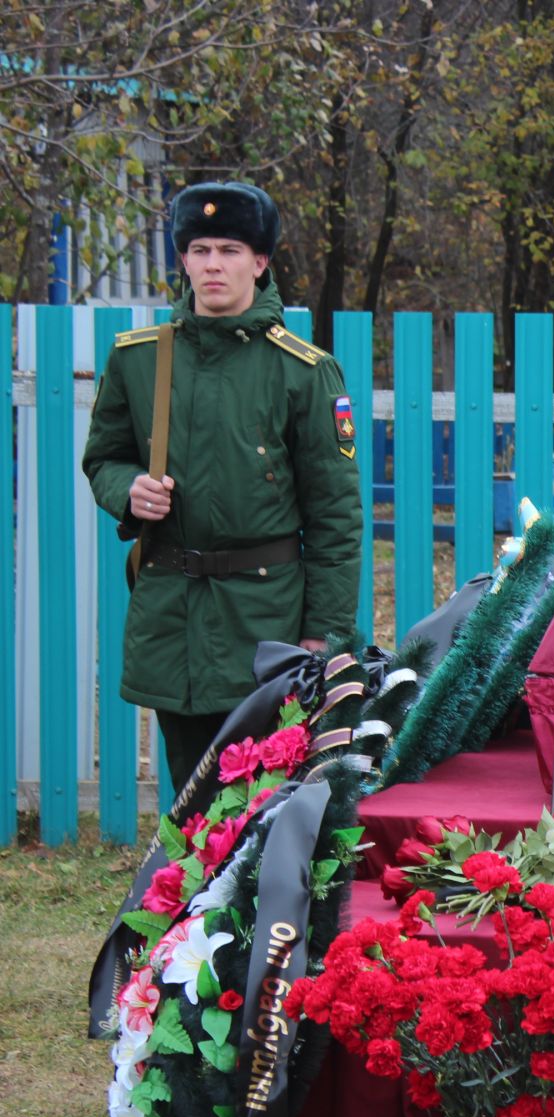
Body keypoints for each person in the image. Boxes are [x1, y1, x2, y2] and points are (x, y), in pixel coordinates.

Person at [81, 182, 361, 787]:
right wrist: (128, 490)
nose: (213, 264)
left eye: (230, 250)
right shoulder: (137, 359)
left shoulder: (303, 371)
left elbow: (336, 515)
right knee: (187, 802)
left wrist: (322, 636)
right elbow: (103, 458)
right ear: (182, 259)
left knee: (261, 805)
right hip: (170, 615)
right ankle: (180, 888)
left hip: (266, 622)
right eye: (200, 249)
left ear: (260, 263)